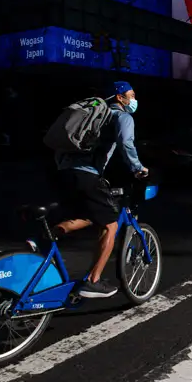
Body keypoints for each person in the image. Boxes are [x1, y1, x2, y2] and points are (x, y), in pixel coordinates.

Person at [52, 81, 149, 299]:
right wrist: (138, 168)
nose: (134, 100)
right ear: (120, 97)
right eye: (131, 95)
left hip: (64, 173)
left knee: (89, 216)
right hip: (87, 175)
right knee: (110, 225)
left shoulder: (92, 116)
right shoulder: (121, 116)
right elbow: (126, 143)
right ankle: (92, 281)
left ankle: (47, 236)